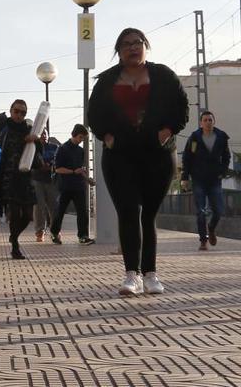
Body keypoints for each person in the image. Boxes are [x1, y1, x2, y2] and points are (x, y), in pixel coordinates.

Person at [89, 28, 189, 296]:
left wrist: (167, 130)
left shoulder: (164, 76)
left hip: (156, 156)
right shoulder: (107, 80)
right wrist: (107, 136)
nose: (133, 48)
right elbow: (94, 115)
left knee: (149, 217)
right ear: (118, 51)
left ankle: (152, 275)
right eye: (126, 44)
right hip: (120, 157)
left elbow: (182, 108)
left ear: (146, 46)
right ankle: (131, 275)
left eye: (137, 43)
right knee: (128, 213)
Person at [0, 100, 41, 260]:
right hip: (9, 177)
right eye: (17, 111)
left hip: (25, 178)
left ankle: (13, 237)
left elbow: (37, 153)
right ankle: (15, 248)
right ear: (11, 110)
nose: (19, 115)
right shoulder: (5, 127)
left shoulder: (28, 129)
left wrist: (35, 139)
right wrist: (24, 140)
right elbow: (5, 146)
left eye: (23, 113)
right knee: (14, 214)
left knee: (28, 215)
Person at [181, 111, 230, 251]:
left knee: (218, 211)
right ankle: (203, 240)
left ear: (214, 122)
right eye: (205, 120)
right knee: (201, 211)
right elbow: (187, 158)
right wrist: (185, 177)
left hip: (215, 180)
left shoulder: (221, 137)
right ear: (201, 123)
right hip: (199, 180)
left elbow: (226, 157)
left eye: (210, 120)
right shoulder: (195, 138)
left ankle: (211, 228)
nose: (208, 122)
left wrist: (223, 172)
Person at [50, 124, 95, 245]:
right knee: (60, 211)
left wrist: (87, 179)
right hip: (65, 186)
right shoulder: (63, 149)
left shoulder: (80, 151)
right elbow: (58, 169)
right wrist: (73, 171)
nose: (81, 140)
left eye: (83, 138)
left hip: (79, 185)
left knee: (82, 211)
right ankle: (54, 233)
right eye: (80, 137)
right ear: (74, 134)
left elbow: (80, 169)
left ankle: (83, 236)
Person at [32, 131, 59, 241]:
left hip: (51, 180)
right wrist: (40, 165)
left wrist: (50, 165)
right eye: (41, 134)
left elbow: (58, 160)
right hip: (37, 180)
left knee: (54, 207)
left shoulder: (55, 147)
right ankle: (40, 232)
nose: (43, 136)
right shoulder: (32, 147)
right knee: (39, 206)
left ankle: (55, 231)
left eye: (45, 134)